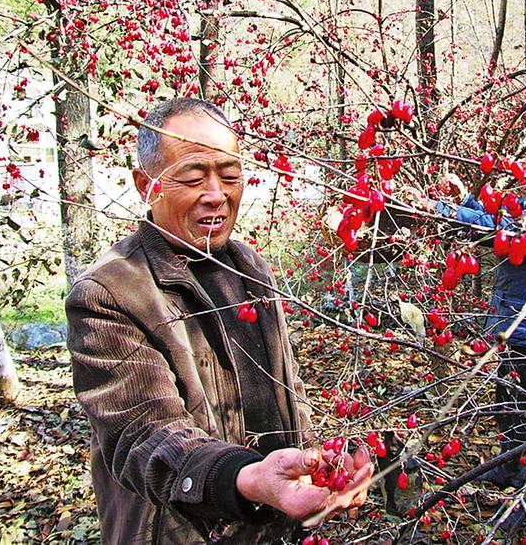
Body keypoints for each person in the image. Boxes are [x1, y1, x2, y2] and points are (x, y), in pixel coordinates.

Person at [66, 98, 373, 544]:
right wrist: (245, 478)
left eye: (230, 175)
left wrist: (319, 461)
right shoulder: (111, 292)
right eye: (193, 176)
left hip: (274, 525)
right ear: (145, 184)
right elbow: (144, 436)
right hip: (181, 532)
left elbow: (286, 386)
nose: (217, 194)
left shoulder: (250, 266)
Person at [411, 143, 526, 526]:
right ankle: (510, 469)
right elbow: (497, 219)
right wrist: (465, 199)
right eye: (524, 165)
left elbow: (505, 234)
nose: (525, 173)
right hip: (514, 325)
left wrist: (440, 209)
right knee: (508, 405)